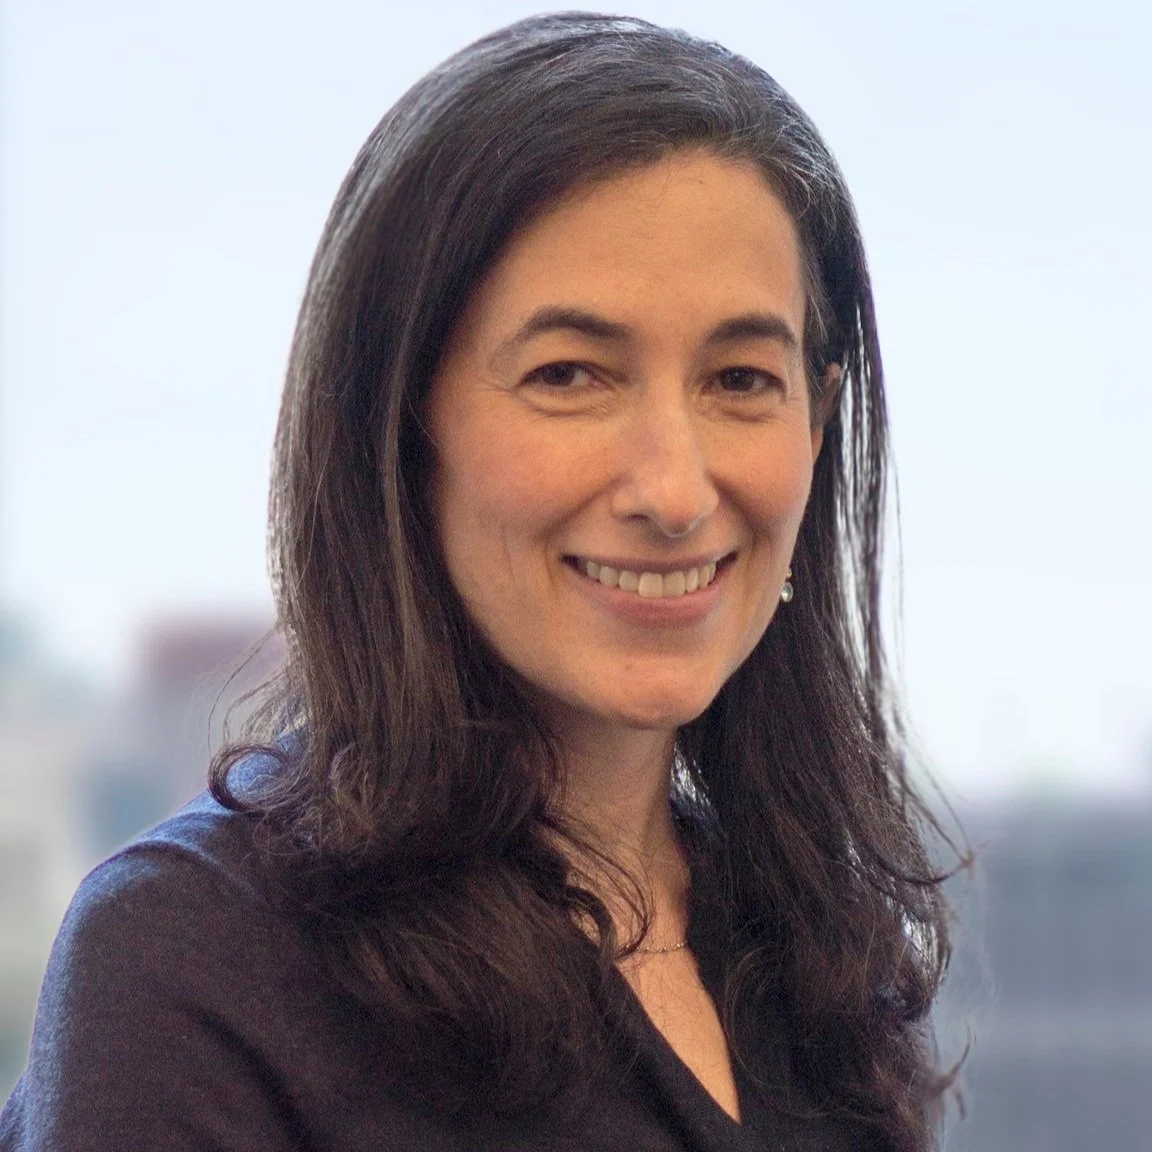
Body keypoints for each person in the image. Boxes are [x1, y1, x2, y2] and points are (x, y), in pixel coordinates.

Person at [1, 12, 961, 1151]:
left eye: (742, 379)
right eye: (570, 374)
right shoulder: (196, 962)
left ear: (819, 423)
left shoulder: (812, 958)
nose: (674, 487)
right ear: (399, 427)